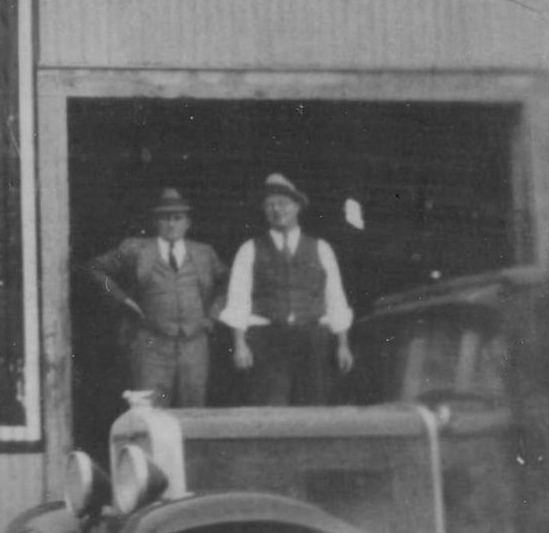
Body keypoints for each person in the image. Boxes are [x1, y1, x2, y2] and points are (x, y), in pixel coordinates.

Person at [218, 173, 353, 405]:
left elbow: (335, 298)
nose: (277, 209)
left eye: (283, 203)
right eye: (270, 204)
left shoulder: (321, 248)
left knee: (315, 407)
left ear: (297, 207)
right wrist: (240, 345)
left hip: (313, 340)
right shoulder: (250, 249)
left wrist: (343, 345)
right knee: (270, 408)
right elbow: (238, 300)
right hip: (268, 341)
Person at [84, 188, 225, 407]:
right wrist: (121, 298)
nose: (171, 224)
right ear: (156, 222)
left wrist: (212, 316)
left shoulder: (204, 253)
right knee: (150, 411)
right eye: (165, 218)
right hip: (152, 344)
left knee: (195, 409)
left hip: (194, 344)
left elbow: (230, 283)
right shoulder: (137, 250)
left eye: (177, 218)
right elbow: (95, 268)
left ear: (187, 223)